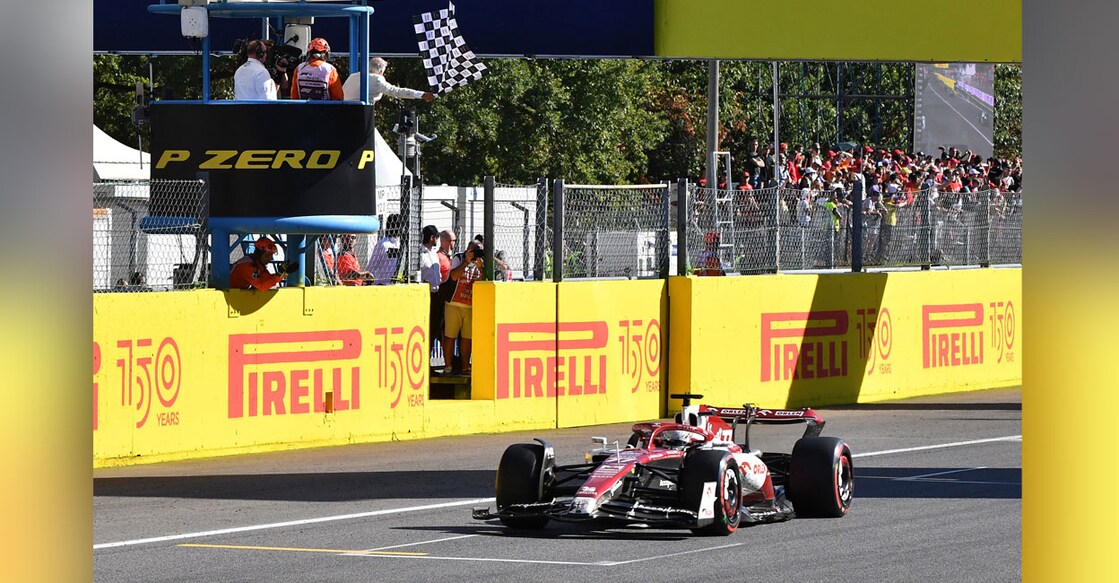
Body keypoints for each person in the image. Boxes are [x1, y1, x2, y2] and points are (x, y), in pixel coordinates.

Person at [442, 239, 483, 376]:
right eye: (473, 250)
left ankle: (465, 367)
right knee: (450, 336)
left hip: (470, 305)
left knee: (467, 338)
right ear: (467, 249)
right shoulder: (458, 257)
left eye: (479, 250)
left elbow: (484, 282)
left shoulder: (481, 262)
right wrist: (466, 261)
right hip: (454, 303)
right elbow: (453, 276)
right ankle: (448, 366)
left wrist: (481, 268)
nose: (475, 253)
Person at [342, 56, 436, 103]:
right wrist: (421, 95)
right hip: (361, 115)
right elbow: (395, 91)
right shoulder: (377, 79)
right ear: (380, 71)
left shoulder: (353, 76)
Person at [230, 236, 298, 291]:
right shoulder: (247, 266)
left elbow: (267, 279)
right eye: (267, 255)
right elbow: (262, 286)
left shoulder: (257, 264)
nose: (270, 259)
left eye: (271, 256)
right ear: (259, 253)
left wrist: (284, 273)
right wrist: (279, 274)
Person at [419, 225, 443, 355]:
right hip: (426, 295)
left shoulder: (434, 254)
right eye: (437, 237)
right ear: (432, 237)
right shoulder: (420, 254)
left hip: (437, 293)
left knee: (436, 329)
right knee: (427, 329)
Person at [366, 214, 403, 284]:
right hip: (383, 283)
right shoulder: (383, 244)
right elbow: (372, 266)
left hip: (399, 283)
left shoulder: (402, 244)